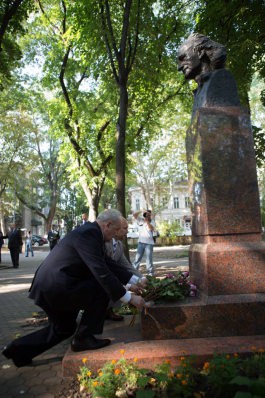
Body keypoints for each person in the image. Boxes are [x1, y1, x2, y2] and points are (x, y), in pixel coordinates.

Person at [2, 209, 146, 368]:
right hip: (56, 288)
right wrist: (129, 298)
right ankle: (84, 338)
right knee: (101, 288)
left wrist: (136, 280)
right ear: (108, 225)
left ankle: (17, 350)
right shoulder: (89, 234)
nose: (117, 234)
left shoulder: (92, 234)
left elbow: (106, 263)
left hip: (55, 286)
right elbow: (101, 271)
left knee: (64, 328)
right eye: (116, 230)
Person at [177, 33, 240, 110]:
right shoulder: (199, 90)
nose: (179, 67)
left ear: (200, 53)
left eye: (183, 58)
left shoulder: (221, 79)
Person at [105, 217, 145, 321]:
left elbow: (127, 266)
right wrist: (128, 285)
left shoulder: (119, 245)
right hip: (102, 277)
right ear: (116, 229)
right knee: (119, 286)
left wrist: (142, 278)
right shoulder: (104, 244)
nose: (127, 231)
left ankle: (108, 310)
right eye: (125, 228)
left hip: (109, 276)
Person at [132, 210, 155, 276]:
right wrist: (142, 210)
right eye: (146, 215)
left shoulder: (152, 221)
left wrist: (147, 221)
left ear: (150, 215)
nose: (147, 216)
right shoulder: (140, 220)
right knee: (137, 258)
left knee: (148, 259)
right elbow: (134, 215)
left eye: (148, 215)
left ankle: (150, 273)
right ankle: (134, 273)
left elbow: (151, 229)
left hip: (149, 243)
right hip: (141, 242)